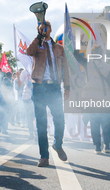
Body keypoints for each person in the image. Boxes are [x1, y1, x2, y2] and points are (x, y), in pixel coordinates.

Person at [27, 20, 70, 167]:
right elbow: (29, 52)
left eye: (46, 28)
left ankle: (57, 144)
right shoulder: (37, 45)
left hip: (54, 88)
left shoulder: (59, 48)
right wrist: (38, 36)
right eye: (41, 28)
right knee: (41, 124)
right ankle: (44, 157)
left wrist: (68, 86)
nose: (44, 30)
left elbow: (65, 68)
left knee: (60, 119)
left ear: (50, 29)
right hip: (39, 88)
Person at [74, 45, 110, 154]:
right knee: (106, 123)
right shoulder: (108, 67)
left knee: (94, 122)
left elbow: (76, 55)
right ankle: (107, 146)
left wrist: (80, 45)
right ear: (102, 54)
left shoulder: (87, 64)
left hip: (91, 100)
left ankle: (97, 148)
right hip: (105, 100)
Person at [17, 69, 35, 139]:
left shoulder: (39, 68)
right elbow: (20, 84)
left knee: (37, 116)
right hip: (27, 97)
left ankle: (37, 133)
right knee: (29, 116)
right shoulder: (25, 71)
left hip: (37, 96)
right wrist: (18, 76)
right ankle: (31, 133)